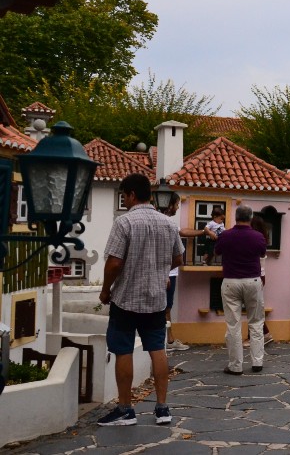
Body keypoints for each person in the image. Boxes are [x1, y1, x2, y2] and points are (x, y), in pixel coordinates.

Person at [97, 173, 185, 426]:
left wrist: (105, 290)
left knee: (123, 350)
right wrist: (160, 272)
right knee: (158, 349)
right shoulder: (168, 223)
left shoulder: (124, 222)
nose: (123, 200)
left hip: (126, 299)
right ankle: (162, 409)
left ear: (132, 194)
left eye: (123, 195)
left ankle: (125, 409)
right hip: (156, 300)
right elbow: (178, 258)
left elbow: (114, 262)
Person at [214, 205, 267, 374]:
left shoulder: (225, 235)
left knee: (233, 324)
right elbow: (262, 253)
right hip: (252, 280)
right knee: (256, 322)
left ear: (235, 217)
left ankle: (235, 365)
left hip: (230, 281)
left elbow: (217, 252)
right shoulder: (258, 237)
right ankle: (257, 362)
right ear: (250, 218)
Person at [161, 192, 189, 351]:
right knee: (166, 307)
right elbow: (179, 258)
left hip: (167, 273)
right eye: (177, 204)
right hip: (168, 274)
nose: (178, 207)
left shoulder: (168, 223)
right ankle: (168, 340)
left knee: (166, 307)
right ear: (169, 204)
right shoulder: (169, 225)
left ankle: (168, 339)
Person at [250, 213, 275, 346]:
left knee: (254, 308)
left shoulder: (255, 241)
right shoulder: (262, 240)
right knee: (254, 307)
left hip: (257, 275)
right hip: (260, 275)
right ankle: (264, 334)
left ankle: (264, 334)